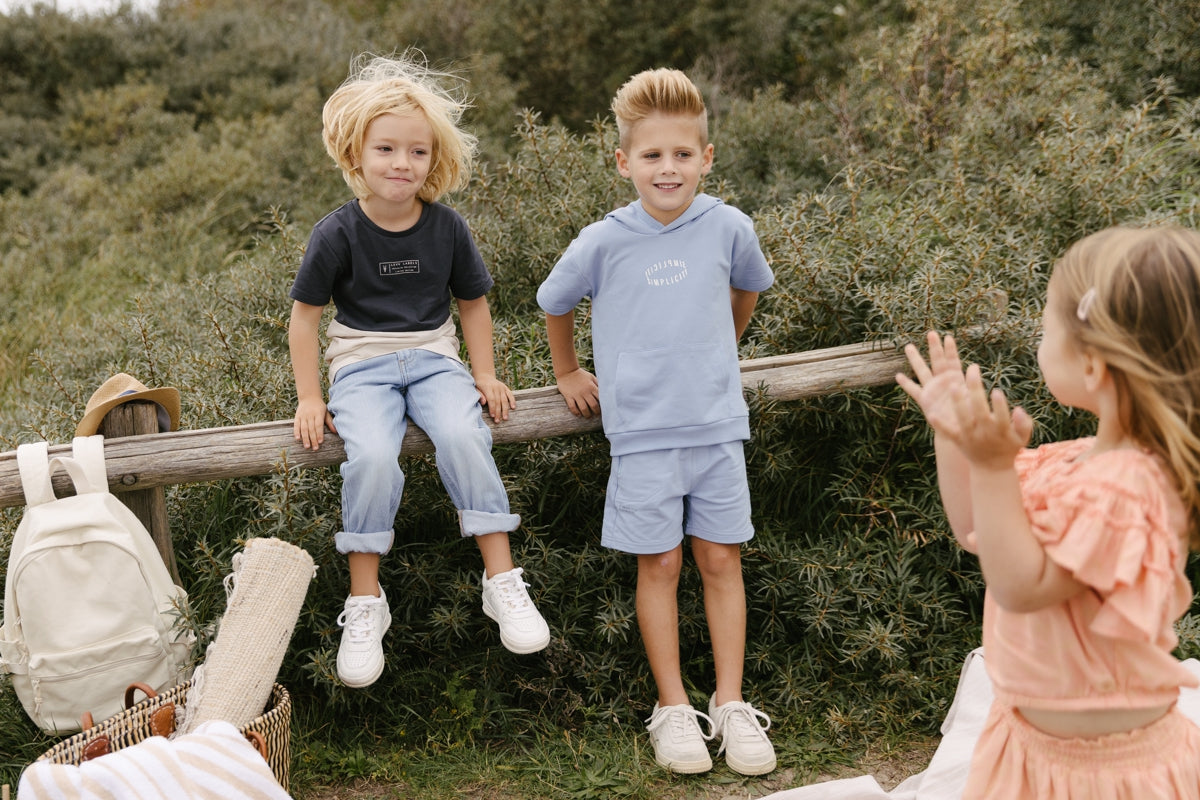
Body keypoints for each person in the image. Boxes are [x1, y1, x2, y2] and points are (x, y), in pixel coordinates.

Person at [896, 226, 1200, 799]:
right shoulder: (1077, 461)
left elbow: (1021, 586)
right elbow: (975, 531)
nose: (1039, 343)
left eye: (1045, 329)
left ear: (1093, 367)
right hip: (1028, 750)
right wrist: (957, 440)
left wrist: (992, 468)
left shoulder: (1129, 489)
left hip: (1106, 778)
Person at [537, 68, 776, 776]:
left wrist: (721, 352)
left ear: (706, 157)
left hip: (716, 429)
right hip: (640, 436)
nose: (666, 168)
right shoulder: (602, 241)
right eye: (651, 156)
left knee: (721, 560)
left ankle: (730, 703)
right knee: (662, 563)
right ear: (624, 163)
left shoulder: (729, 226)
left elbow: (747, 290)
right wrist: (568, 373)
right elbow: (555, 302)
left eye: (681, 154)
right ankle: (674, 708)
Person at [288, 52, 550, 689]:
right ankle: (364, 603)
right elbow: (303, 319)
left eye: (417, 152)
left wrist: (484, 373)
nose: (401, 164)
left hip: (435, 360)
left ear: (436, 161)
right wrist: (309, 397)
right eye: (386, 149)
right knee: (373, 454)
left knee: (464, 436)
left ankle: (501, 580)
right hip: (362, 367)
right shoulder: (337, 233)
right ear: (356, 153)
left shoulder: (447, 228)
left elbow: (473, 304)